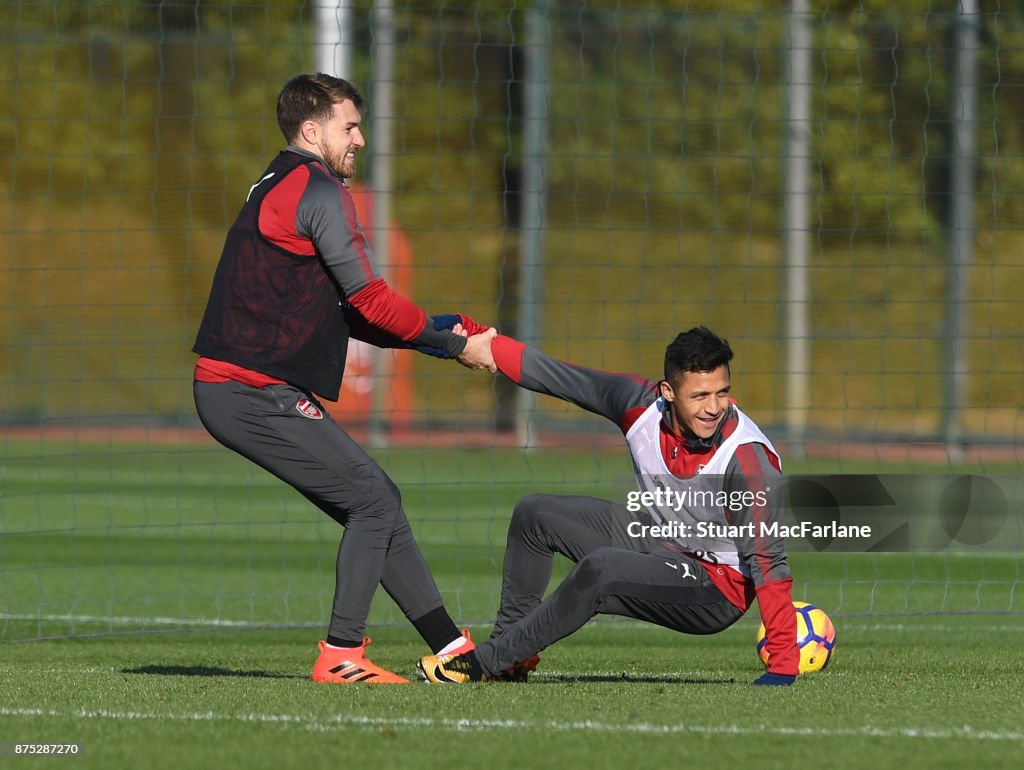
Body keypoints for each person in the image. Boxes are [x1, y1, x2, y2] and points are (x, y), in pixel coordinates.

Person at [192, 73, 496, 684]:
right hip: (247, 390)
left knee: (379, 501)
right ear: (312, 130)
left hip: (252, 388)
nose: (360, 139)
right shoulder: (320, 190)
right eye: (349, 127)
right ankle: (341, 655)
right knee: (372, 498)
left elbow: (356, 316)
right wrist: (453, 345)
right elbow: (375, 303)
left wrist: (443, 335)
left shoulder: (283, 180)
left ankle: (450, 647)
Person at [418, 325, 800, 686]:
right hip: (665, 541)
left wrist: (783, 665)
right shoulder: (638, 405)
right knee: (536, 514)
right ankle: (509, 657)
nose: (714, 407)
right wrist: (488, 346)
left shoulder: (747, 461)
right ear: (667, 391)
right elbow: (559, 377)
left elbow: (769, 560)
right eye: (699, 395)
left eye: (722, 392)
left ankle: (482, 663)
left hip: (716, 588)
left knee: (601, 569)